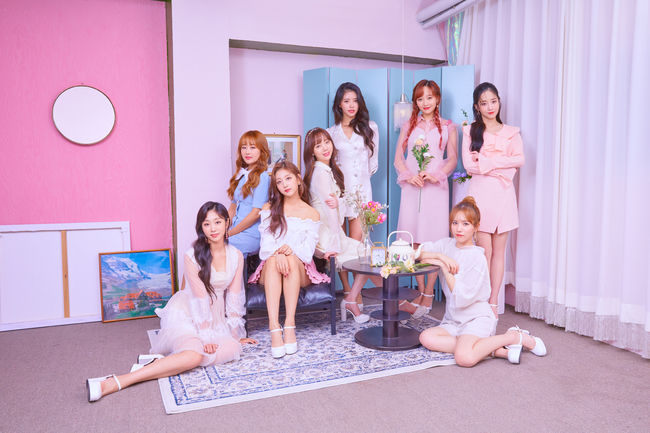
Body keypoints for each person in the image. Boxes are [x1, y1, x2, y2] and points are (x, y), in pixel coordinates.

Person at [86, 202, 257, 402]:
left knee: (233, 348)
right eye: (207, 224)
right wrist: (206, 337)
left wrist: (236, 334)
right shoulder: (192, 256)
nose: (213, 228)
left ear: (227, 223)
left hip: (216, 319)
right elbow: (199, 299)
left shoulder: (236, 256)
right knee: (194, 355)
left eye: (218, 222)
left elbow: (235, 298)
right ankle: (117, 381)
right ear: (201, 228)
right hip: (188, 313)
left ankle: (160, 363)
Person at [417, 197, 546, 366]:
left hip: (476, 319)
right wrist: (439, 256)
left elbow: (463, 297)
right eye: (455, 223)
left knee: (464, 358)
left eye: (465, 224)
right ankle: (493, 350)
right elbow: (416, 254)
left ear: (476, 227)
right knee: (426, 338)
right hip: (454, 320)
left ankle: (514, 337)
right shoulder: (446, 246)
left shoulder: (477, 257)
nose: (459, 229)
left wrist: (444, 269)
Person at [247, 161, 329, 358]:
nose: (284, 184)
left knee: (291, 260)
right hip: (271, 264)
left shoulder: (311, 213)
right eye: (279, 181)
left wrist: (290, 251)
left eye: (288, 178)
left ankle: (290, 324)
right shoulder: (269, 208)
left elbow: (307, 252)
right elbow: (265, 248)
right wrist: (279, 253)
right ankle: (274, 326)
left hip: (301, 267)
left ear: (298, 179)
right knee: (274, 261)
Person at [303, 127, 382, 323]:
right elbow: (330, 212)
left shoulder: (327, 171)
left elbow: (337, 204)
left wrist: (340, 202)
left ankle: (351, 299)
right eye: (318, 146)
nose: (325, 148)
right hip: (327, 235)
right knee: (367, 257)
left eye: (327, 142)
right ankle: (355, 300)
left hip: (332, 230)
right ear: (312, 152)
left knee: (368, 256)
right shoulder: (321, 174)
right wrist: (336, 240)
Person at [394, 79, 458, 318]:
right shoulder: (408, 126)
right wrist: (409, 176)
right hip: (412, 189)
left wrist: (436, 175)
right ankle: (421, 292)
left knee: (433, 241)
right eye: (420, 99)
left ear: (438, 99)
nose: (425, 102)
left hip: (435, 190)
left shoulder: (449, 127)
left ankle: (429, 294)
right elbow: (398, 158)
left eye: (429, 97)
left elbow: (452, 159)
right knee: (413, 241)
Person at [461, 82, 525, 318]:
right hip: (480, 195)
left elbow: (519, 160)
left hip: (504, 196)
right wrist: (501, 166)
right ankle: (480, 300)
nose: (490, 107)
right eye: (484, 103)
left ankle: (493, 304)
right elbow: (469, 166)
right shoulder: (470, 131)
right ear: (476, 107)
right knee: (483, 252)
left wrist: (488, 162)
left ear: (499, 102)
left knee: (500, 252)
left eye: (493, 101)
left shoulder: (512, 133)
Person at [327, 82, 379, 242]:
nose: (351, 105)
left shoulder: (370, 128)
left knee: (358, 244)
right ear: (339, 104)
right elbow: (330, 165)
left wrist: (360, 179)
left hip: (361, 192)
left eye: (355, 100)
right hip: (339, 192)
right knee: (340, 243)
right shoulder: (331, 133)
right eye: (346, 101)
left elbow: (373, 163)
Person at [227, 130, 271, 255]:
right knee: (206, 245)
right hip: (235, 231)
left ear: (262, 151)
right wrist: (223, 228)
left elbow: (256, 214)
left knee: (215, 249)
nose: (247, 152)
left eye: (252, 147)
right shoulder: (241, 175)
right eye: (244, 147)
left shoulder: (263, 177)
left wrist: (230, 233)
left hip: (250, 234)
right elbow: (232, 207)